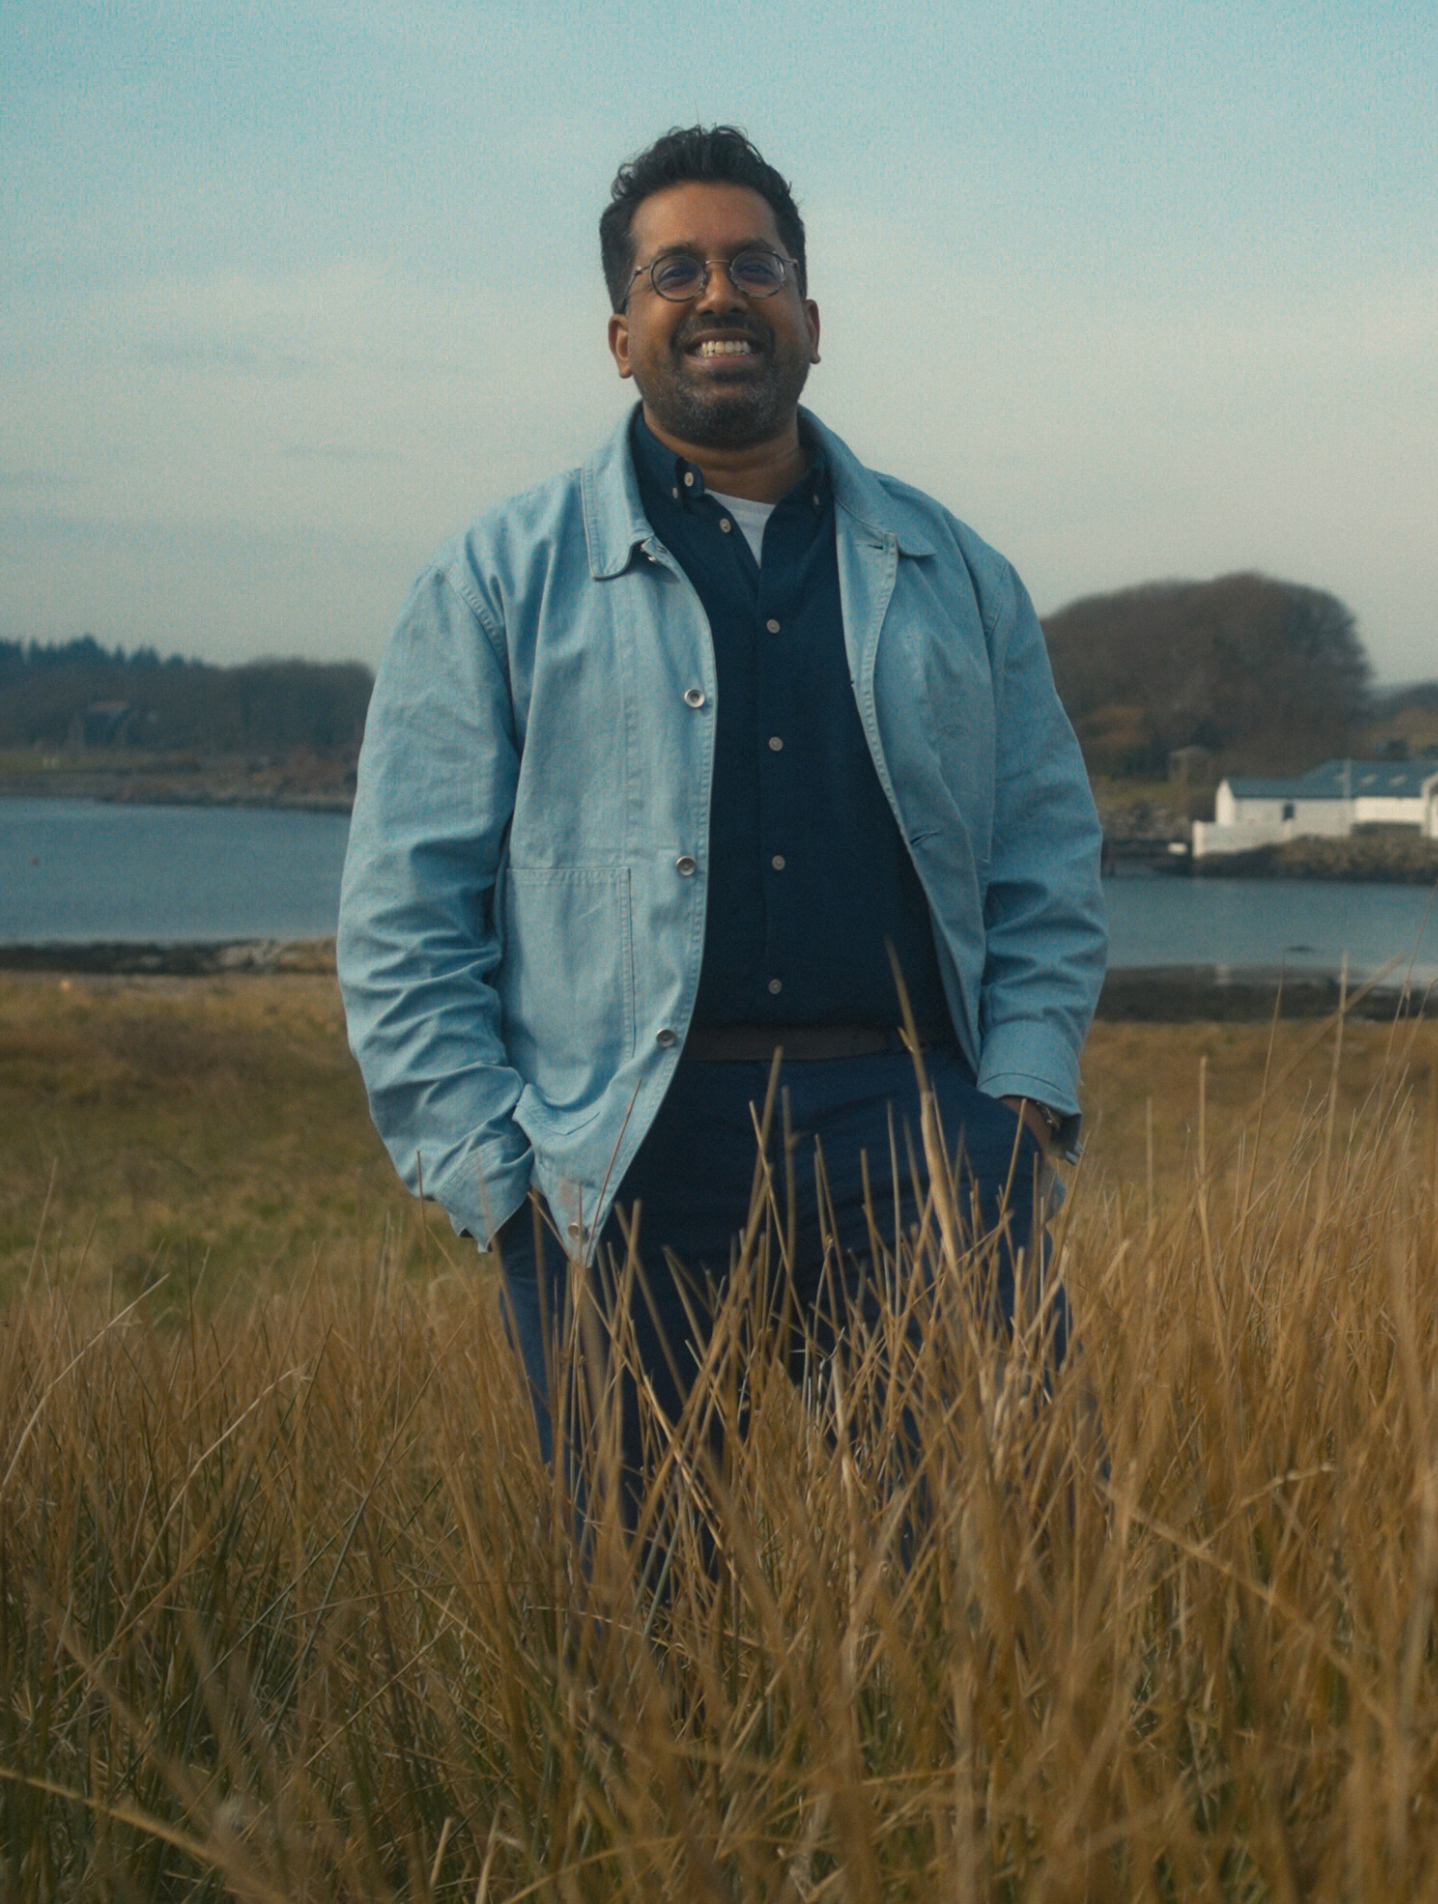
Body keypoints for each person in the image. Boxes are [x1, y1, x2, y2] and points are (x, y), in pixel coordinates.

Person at [339, 123, 1106, 1563]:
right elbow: (404, 911)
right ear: (619, 333)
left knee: (1019, 1578)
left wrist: (1020, 1103)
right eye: (675, 269)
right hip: (614, 1149)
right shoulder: (497, 579)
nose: (718, 294)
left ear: (810, 317)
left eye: (755, 263)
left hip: (915, 1134)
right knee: (646, 1611)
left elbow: (1045, 856)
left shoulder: (957, 574)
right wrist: (491, 1175)